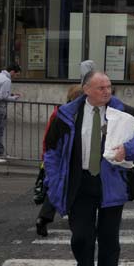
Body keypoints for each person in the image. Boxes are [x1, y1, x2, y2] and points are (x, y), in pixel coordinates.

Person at [43, 71, 134, 266]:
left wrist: (129, 149)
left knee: (108, 240)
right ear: (86, 90)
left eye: (109, 87)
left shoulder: (125, 113)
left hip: (111, 185)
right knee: (81, 237)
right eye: (101, 87)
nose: (107, 91)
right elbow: (51, 151)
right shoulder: (66, 116)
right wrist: (53, 183)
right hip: (80, 184)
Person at [35, 84, 87, 237]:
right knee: (71, 187)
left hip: (62, 158)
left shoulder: (61, 112)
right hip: (68, 159)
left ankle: (43, 218)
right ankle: (74, 217)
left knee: (58, 188)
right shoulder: (71, 114)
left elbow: (48, 138)